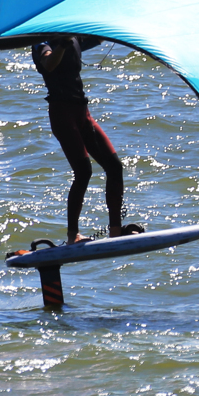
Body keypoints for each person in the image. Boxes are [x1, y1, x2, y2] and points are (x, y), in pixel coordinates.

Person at [32, 35, 141, 244]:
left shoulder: (73, 38)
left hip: (82, 112)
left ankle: (115, 232)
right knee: (83, 171)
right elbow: (49, 64)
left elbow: (96, 37)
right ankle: (73, 236)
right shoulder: (42, 43)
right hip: (62, 113)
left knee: (114, 166)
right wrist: (62, 43)